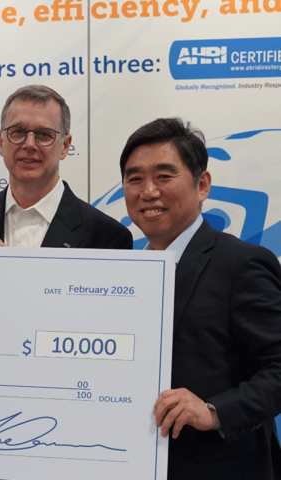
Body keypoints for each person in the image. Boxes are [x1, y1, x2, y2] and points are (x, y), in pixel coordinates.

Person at [120, 117, 281, 479]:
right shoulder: (124, 274)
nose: (148, 191)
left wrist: (213, 412)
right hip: (133, 464)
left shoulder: (242, 264)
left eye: (164, 176)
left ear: (202, 184)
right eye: (135, 179)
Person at [0, 85, 132, 249]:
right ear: (1, 142)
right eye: (18, 132)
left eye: (44, 134)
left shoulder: (108, 237)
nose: (29, 144)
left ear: (65, 146)